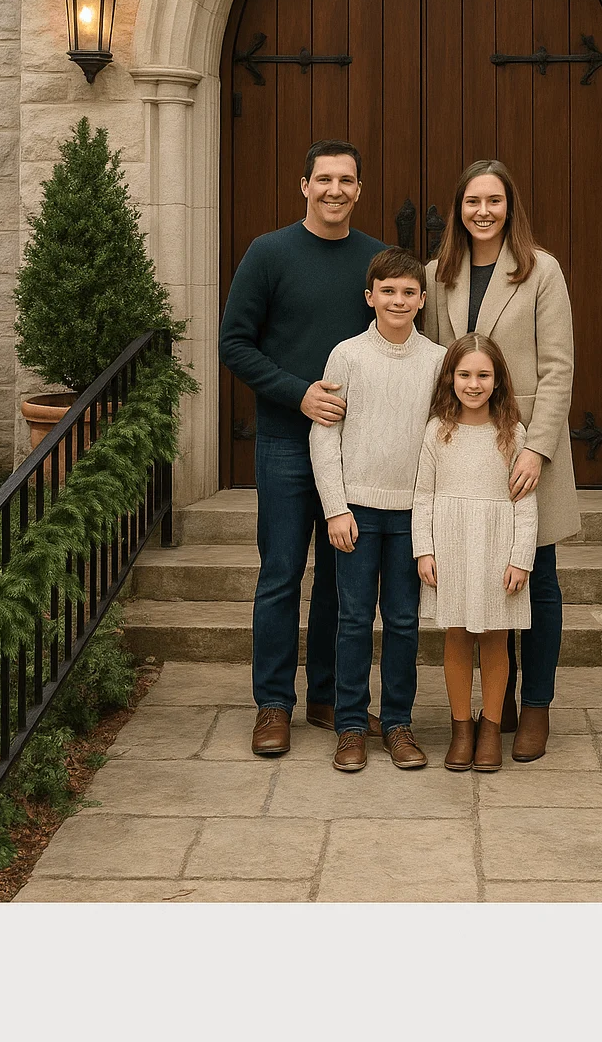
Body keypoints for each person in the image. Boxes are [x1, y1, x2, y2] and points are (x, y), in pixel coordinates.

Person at [219, 140, 386, 758]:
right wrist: (299, 395)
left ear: (359, 189)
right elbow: (235, 344)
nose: (335, 190)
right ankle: (272, 706)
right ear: (304, 185)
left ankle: (329, 698)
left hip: (355, 450)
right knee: (282, 573)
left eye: (346, 180)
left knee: (343, 581)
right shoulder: (269, 253)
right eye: (324, 180)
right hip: (288, 440)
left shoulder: (375, 262)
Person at [423, 159, 579, 764]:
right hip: (465, 449)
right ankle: (497, 703)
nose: (482, 212)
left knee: (534, 574)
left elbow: (558, 366)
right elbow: (437, 362)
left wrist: (538, 448)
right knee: (480, 576)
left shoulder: (541, 270)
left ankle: (535, 704)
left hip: (524, 447)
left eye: (493, 201)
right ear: (458, 209)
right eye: (471, 202)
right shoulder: (440, 274)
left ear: (510, 206)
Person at [309, 247, 446, 773]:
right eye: (387, 291)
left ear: (422, 300)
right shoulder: (347, 356)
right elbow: (326, 435)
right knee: (352, 619)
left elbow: (442, 439)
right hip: (358, 514)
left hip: (412, 515)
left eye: (408, 292)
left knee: (404, 620)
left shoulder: (436, 361)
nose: (397, 300)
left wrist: (432, 519)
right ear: (370, 297)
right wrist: (336, 508)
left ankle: (397, 723)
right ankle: (350, 724)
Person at [413, 334, 538, 773]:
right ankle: (461, 729)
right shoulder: (436, 430)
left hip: (496, 546)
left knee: (495, 637)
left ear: (499, 381)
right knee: (457, 635)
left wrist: (521, 556)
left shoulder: (513, 433)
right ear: (450, 379)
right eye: (464, 374)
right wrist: (423, 550)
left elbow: (526, 501)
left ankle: (490, 729)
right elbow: (423, 496)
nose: (473, 384)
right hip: (450, 545)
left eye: (483, 375)